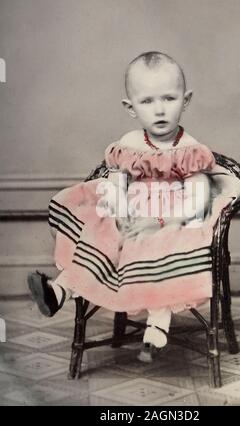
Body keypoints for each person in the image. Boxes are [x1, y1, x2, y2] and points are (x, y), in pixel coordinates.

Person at [28, 51, 223, 362]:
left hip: (171, 220)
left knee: (159, 249)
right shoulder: (130, 142)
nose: (159, 110)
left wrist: (164, 223)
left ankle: (157, 326)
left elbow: (198, 201)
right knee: (100, 236)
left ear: (185, 100)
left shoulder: (190, 149)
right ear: (130, 107)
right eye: (147, 101)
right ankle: (59, 291)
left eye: (169, 99)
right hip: (131, 215)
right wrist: (121, 215)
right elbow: (118, 183)